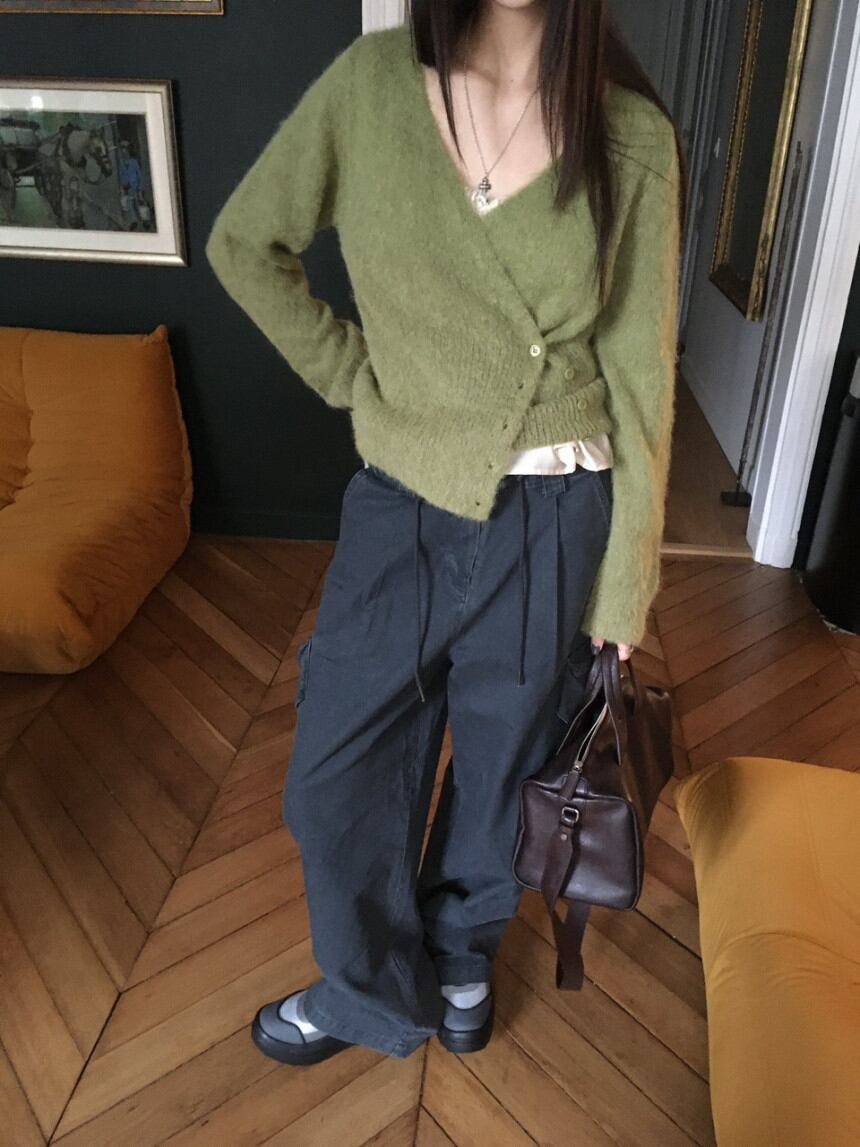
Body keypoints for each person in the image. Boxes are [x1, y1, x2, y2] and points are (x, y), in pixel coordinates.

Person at [205, 0, 686, 1068]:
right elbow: (245, 244)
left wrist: (625, 586)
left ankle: (462, 950)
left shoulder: (630, 136)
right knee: (333, 779)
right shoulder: (369, 86)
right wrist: (352, 377)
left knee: (506, 763)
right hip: (402, 504)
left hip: (558, 514)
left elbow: (640, 376)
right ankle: (370, 987)